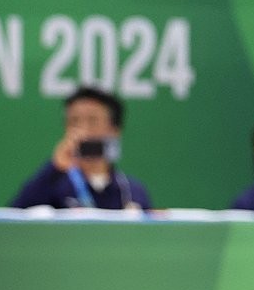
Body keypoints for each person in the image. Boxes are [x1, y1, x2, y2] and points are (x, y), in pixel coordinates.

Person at [11, 86, 152, 210]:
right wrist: (55, 168)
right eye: (74, 121)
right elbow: (16, 218)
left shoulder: (132, 192)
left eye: (93, 121)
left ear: (114, 130)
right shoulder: (54, 186)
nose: (82, 131)